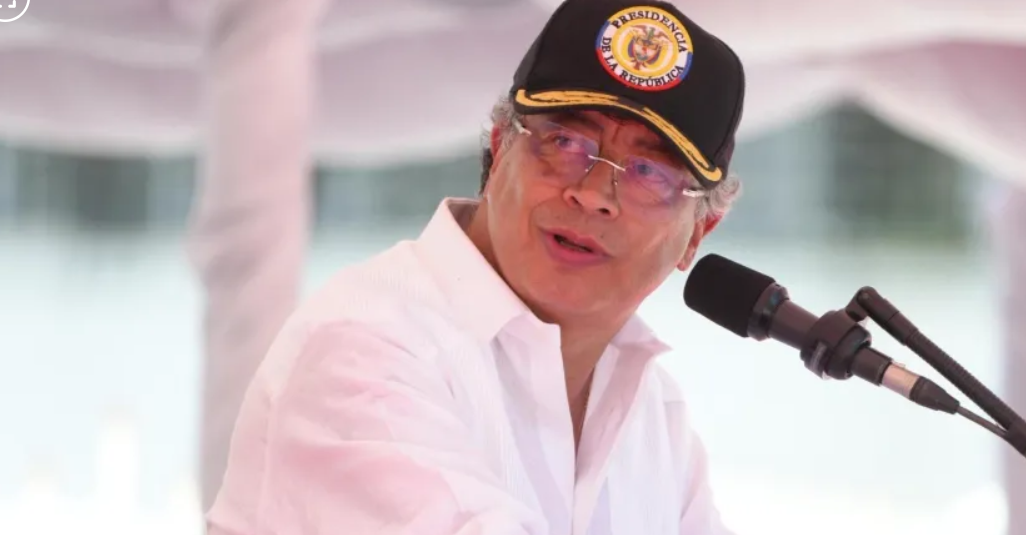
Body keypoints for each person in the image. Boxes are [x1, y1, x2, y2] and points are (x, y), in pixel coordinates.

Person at [204, 0, 746, 533]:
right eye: (565, 142)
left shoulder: (655, 413)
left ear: (698, 233)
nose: (593, 194)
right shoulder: (364, 347)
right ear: (498, 152)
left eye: (649, 173)